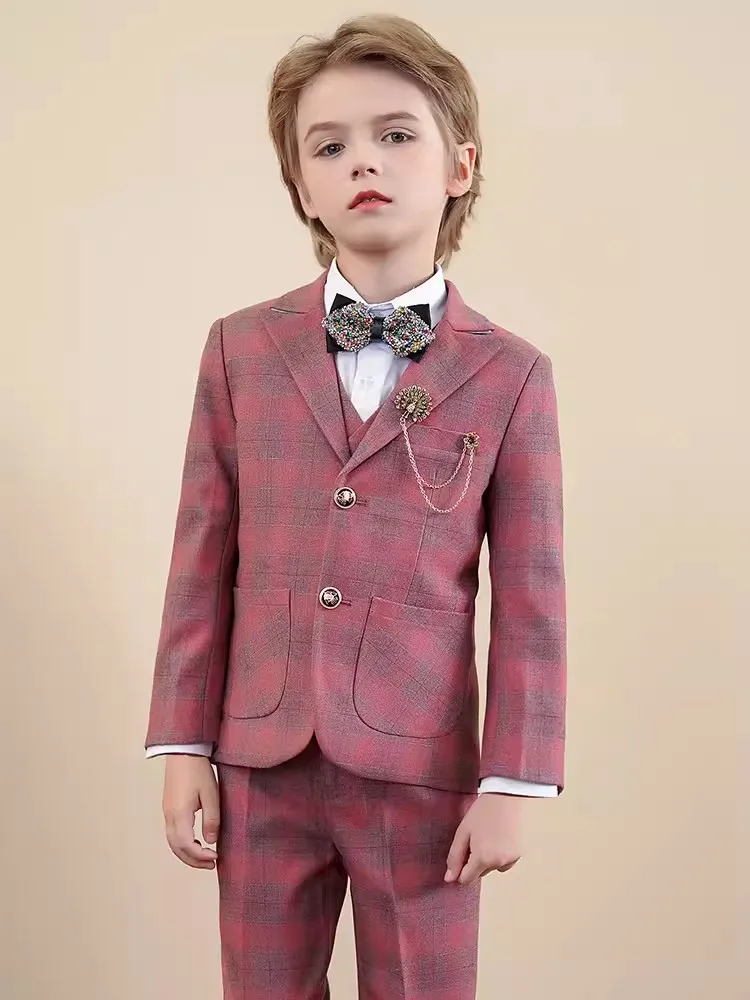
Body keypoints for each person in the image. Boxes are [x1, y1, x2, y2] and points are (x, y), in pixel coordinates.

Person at [145, 13, 566, 1000]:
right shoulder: (239, 350)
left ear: (459, 165)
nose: (361, 162)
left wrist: (512, 779)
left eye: (396, 135)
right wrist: (182, 743)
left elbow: (533, 598)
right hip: (260, 757)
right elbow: (200, 556)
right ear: (301, 185)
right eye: (327, 147)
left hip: (422, 768)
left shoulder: (512, 375)